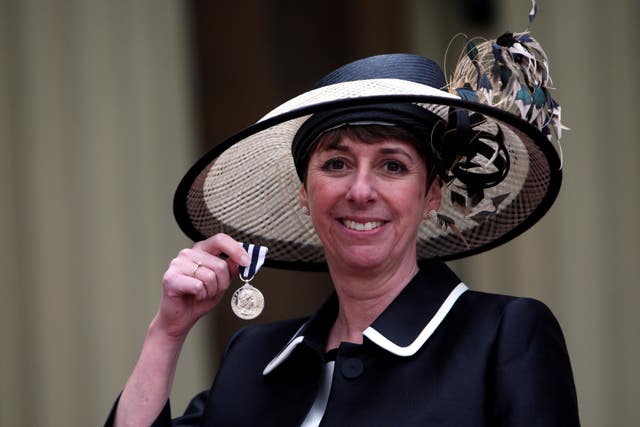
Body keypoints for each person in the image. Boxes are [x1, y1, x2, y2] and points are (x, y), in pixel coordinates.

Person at [106, 30, 580, 427]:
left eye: (393, 166)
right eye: (336, 163)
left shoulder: (502, 337)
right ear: (305, 192)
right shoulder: (254, 360)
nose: (360, 190)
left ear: (432, 193)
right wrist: (166, 333)